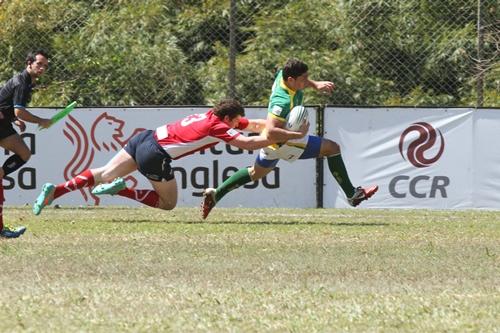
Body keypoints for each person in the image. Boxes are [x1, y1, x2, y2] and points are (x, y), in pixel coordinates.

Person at [32, 99, 308, 214]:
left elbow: (256, 126)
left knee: (104, 172)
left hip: (143, 138)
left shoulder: (212, 116)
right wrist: (293, 136)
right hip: (155, 154)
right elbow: (249, 145)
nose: (240, 123)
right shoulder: (218, 126)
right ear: (227, 118)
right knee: (168, 203)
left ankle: (56, 190)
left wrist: (275, 128)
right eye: (237, 121)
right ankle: (123, 191)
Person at [201, 58, 378, 219]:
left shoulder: (283, 76)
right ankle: (352, 195)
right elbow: (271, 133)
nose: (305, 81)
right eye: (303, 79)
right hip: (283, 140)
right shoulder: (282, 101)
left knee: (255, 173)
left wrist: (314, 84)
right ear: (291, 80)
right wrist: (298, 135)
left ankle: (216, 194)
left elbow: (300, 81)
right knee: (332, 148)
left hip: (275, 143)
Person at [0, 49, 52, 238]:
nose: (42, 68)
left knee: (24, 153)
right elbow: (19, 111)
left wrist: (14, 119)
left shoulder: (27, 82)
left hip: (3, 124)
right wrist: (40, 121)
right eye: (39, 64)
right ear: (28, 63)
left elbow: (7, 106)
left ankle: (2, 173)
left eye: (45, 66)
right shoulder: (22, 81)